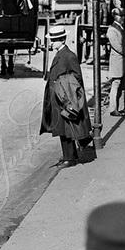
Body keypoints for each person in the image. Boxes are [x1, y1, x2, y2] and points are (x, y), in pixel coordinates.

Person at [38, 27, 93, 169]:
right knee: (61, 128)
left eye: (54, 40)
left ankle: (70, 158)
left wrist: (64, 85)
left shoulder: (68, 55)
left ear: (62, 40)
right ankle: (69, 155)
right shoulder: (60, 54)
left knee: (66, 129)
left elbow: (77, 77)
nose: (51, 43)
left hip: (65, 97)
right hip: (58, 97)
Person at [105, 8, 125, 116]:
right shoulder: (112, 30)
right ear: (115, 17)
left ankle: (121, 107)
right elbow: (117, 46)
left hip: (122, 61)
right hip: (117, 61)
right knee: (116, 84)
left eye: (122, 16)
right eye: (120, 16)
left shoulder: (120, 28)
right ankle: (113, 108)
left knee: (122, 85)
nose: (122, 18)